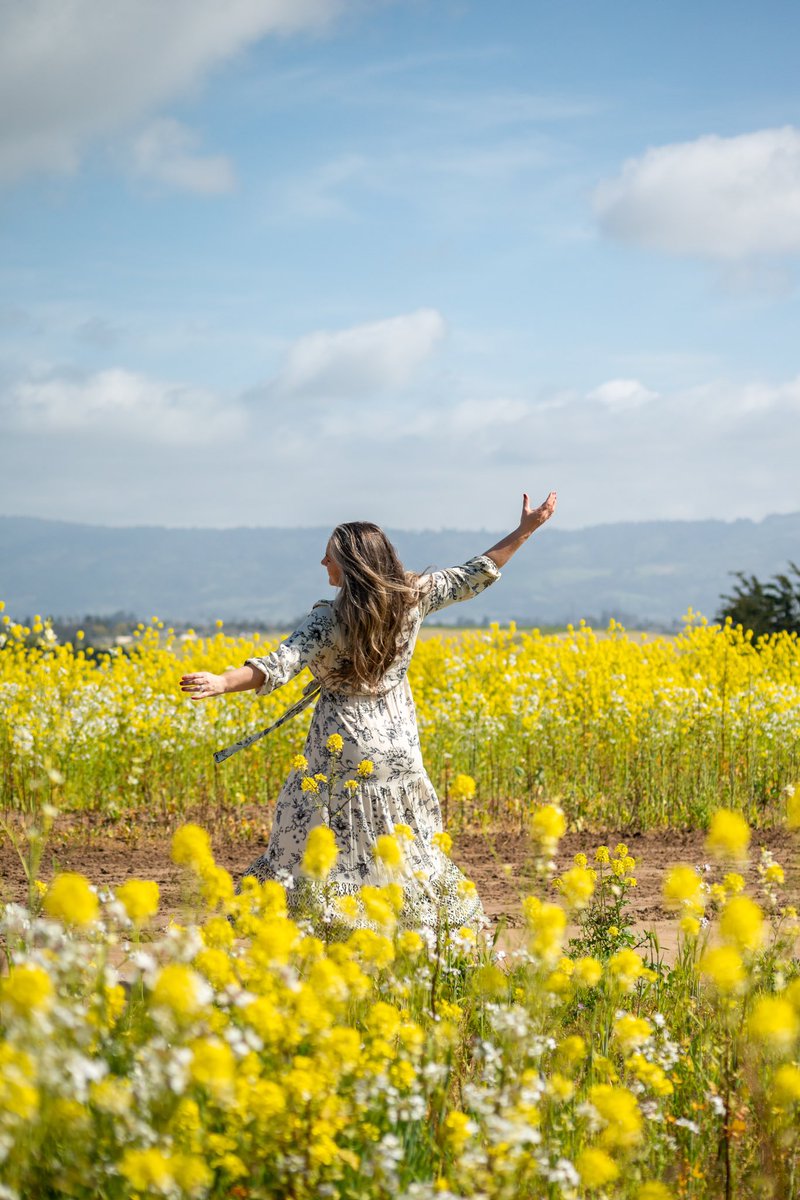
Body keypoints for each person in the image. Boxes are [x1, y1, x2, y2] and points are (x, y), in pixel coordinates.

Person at [180, 490, 557, 934]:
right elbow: (477, 572)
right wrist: (527, 528)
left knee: (309, 839)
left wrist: (224, 682)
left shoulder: (328, 620)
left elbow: (278, 665)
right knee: (404, 842)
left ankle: (324, 925)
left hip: (341, 746)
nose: (323, 564)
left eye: (329, 557)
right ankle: (414, 927)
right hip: (398, 747)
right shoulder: (413, 596)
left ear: (353, 565)